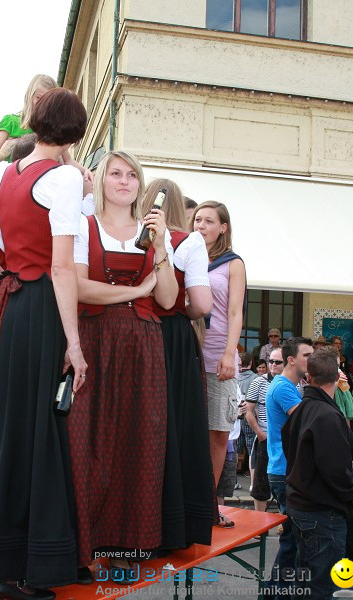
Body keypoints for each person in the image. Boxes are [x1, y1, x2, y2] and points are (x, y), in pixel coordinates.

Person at [0, 87, 89, 597]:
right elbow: (60, 267)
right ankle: (28, 564)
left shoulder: (7, 173)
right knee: (37, 431)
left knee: (6, 426)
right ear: (75, 133)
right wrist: (73, 343)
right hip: (40, 310)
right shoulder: (64, 178)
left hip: (11, 308)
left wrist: (4, 279)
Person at [70, 151, 176, 577]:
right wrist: (136, 292)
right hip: (94, 339)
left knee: (138, 442)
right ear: (102, 181)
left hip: (142, 346)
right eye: (116, 173)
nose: (124, 181)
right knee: (88, 441)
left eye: (132, 175)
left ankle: (127, 547)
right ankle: (87, 545)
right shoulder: (83, 226)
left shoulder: (152, 234)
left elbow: (167, 298)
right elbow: (78, 288)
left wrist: (163, 245)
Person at [141, 177, 215, 552]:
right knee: (178, 429)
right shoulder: (190, 242)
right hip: (172, 336)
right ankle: (175, 525)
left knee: (140, 430)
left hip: (134, 333)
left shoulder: (125, 235)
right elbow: (202, 305)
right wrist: (179, 311)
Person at [283, 349, 353, 600]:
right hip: (321, 510)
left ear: (309, 377)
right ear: (338, 376)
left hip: (303, 505)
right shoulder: (326, 415)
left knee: (306, 581)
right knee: (320, 587)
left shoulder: (305, 410)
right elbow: (336, 472)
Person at [193, 200, 246, 528]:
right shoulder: (187, 254)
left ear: (223, 227)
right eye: (197, 219)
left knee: (216, 435)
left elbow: (236, 312)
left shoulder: (233, 263)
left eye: (209, 221)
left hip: (218, 358)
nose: (201, 225)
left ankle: (209, 504)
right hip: (188, 356)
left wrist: (230, 352)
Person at [266, 336, 312, 588]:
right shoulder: (283, 386)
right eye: (307, 355)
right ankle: (277, 590)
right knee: (293, 540)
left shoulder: (289, 386)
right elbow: (310, 422)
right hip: (285, 470)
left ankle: (279, 590)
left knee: (295, 539)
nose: (311, 360)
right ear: (292, 360)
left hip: (285, 468)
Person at [245, 347, 283, 510]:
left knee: (284, 482)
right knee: (260, 484)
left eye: (277, 362)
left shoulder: (293, 384)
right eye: (271, 361)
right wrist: (260, 434)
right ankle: (259, 524)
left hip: (284, 440)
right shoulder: (259, 381)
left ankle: (284, 523)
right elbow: (248, 411)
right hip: (265, 437)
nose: (273, 365)